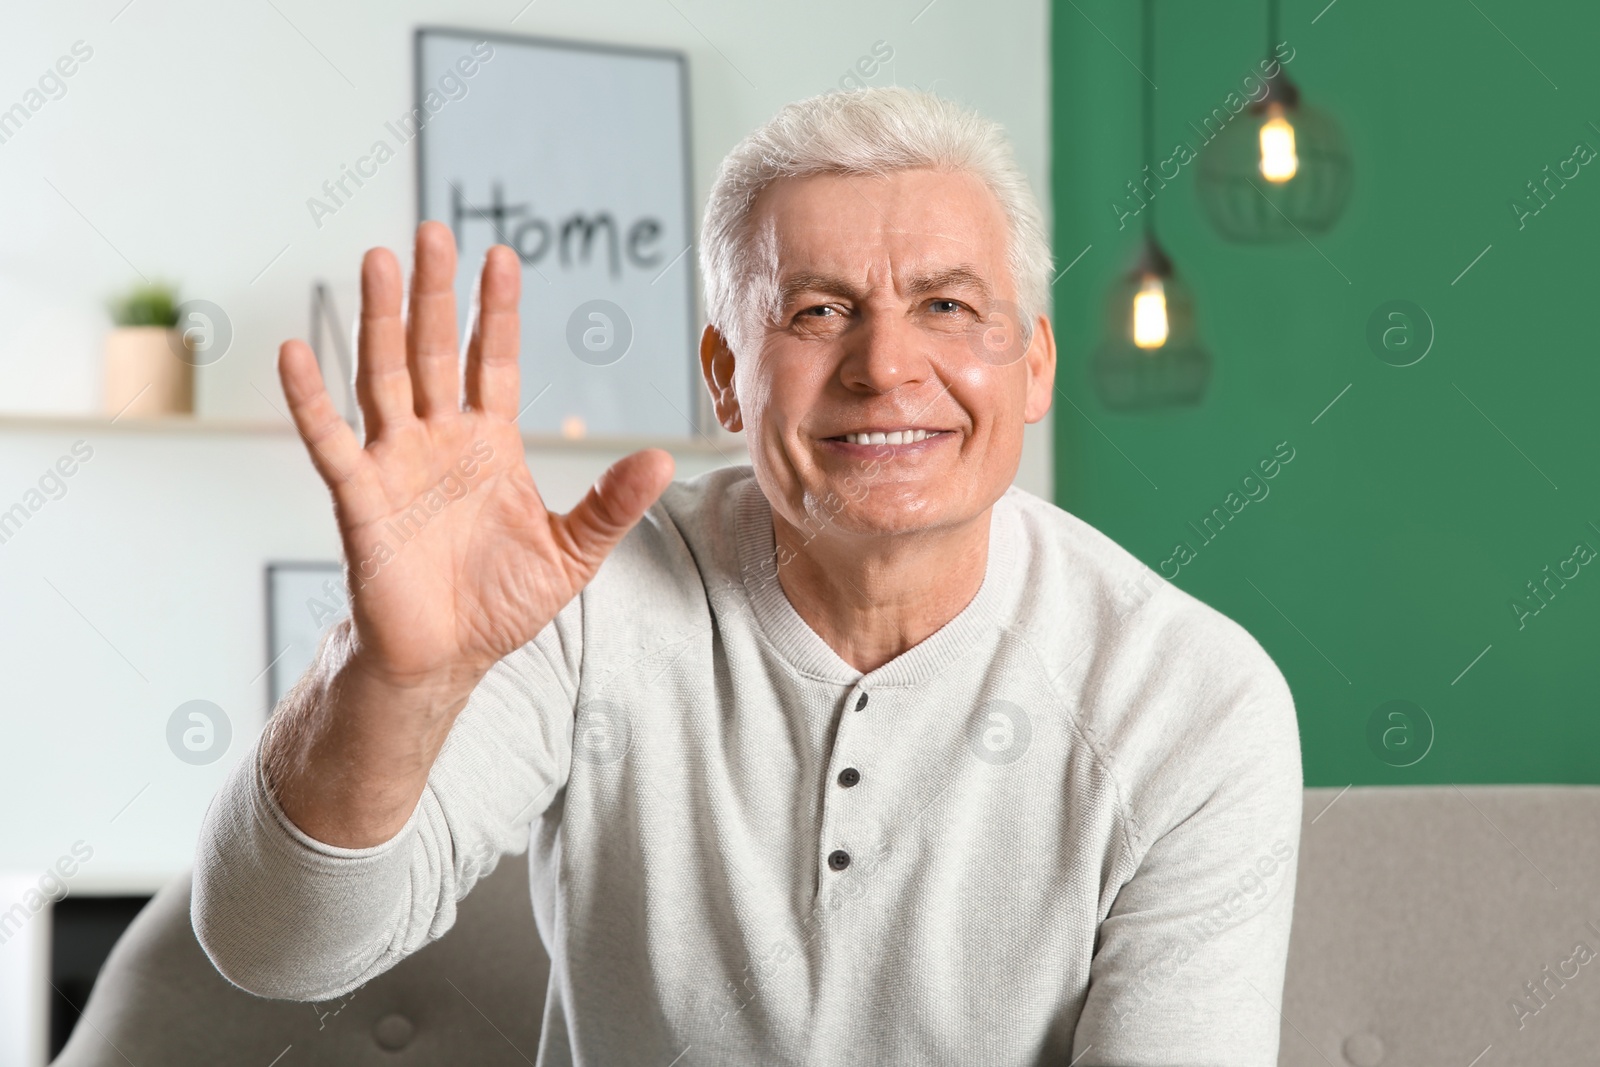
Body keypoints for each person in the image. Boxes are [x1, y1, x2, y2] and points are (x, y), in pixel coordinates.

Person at [192, 86, 1302, 1065]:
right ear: (725, 378)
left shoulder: (1193, 697)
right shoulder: (581, 598)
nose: (884, 366)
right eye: (818, 311)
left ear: (1035, 366)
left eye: (947, 306)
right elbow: (277, 949)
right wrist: (386, 676)